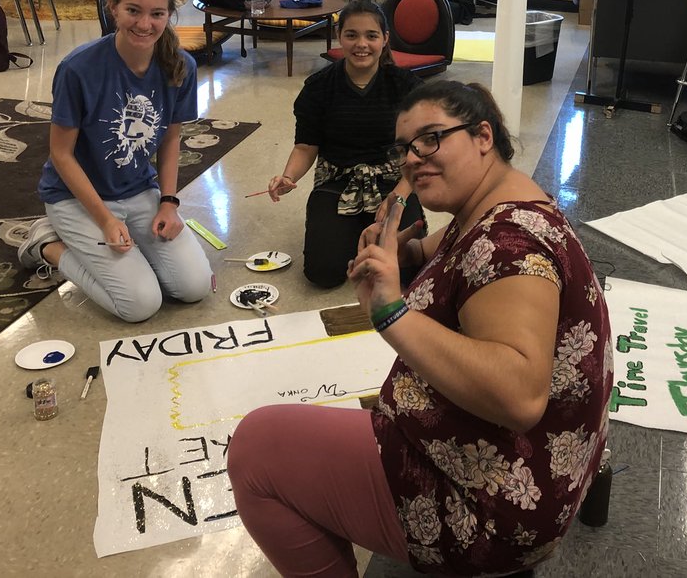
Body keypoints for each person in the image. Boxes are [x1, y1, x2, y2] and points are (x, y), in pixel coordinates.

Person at [229, 81, 612, 576]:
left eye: (431, 138)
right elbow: (442, 250)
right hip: (534, 478)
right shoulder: (505, 201)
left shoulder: (508, 247)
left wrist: (391, 313)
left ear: (482, 135)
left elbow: (520, 398)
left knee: (257, 448)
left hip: (494, 510)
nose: (413, 158)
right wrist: (403, 252)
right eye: (405, 147)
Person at [17, 0, 212, 322]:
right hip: (76, 197)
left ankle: (128, 254)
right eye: (133, 11)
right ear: (114, 8)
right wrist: (105, 220)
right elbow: (60, 154)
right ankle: (47, 245)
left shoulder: (180, 65)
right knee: (140, 305)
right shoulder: (78, 69)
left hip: (137, 189)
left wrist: (168, 203)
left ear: (170, 15)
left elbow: (170, 140)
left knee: (194, 287)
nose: (144, 24)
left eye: (157, 14)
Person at [267, 0, 423, 288]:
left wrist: (400, 196)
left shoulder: (407, 86)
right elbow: (305, 146)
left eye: (371, 36)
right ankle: (358, 231)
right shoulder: (318, 87)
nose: (361, 44)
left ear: (385, 39)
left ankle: (366, 230)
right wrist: (288, 177)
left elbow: (420, 149)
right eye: (351, 35)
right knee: (323, 273)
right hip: (338, 180)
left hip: (393, 182)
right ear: (339, 36)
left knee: (413, 271)